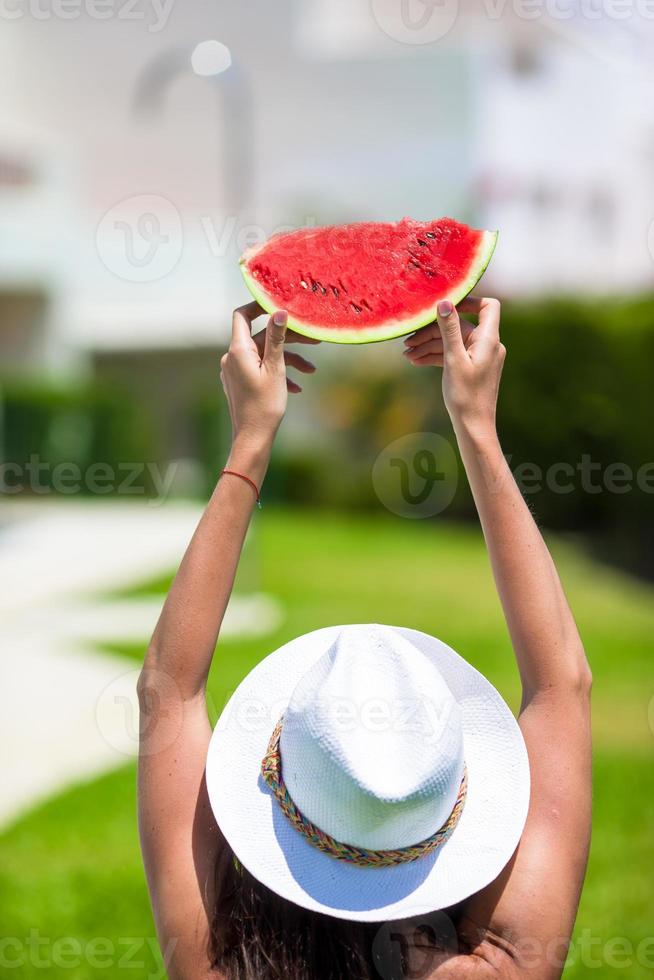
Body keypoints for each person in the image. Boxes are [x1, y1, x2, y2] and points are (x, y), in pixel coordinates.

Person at [137, 298, 592, 980]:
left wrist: (250, 440)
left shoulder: (221, 966)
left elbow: (166, 693)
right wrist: (477, 426)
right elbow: (563, 686)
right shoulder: (506, 966)